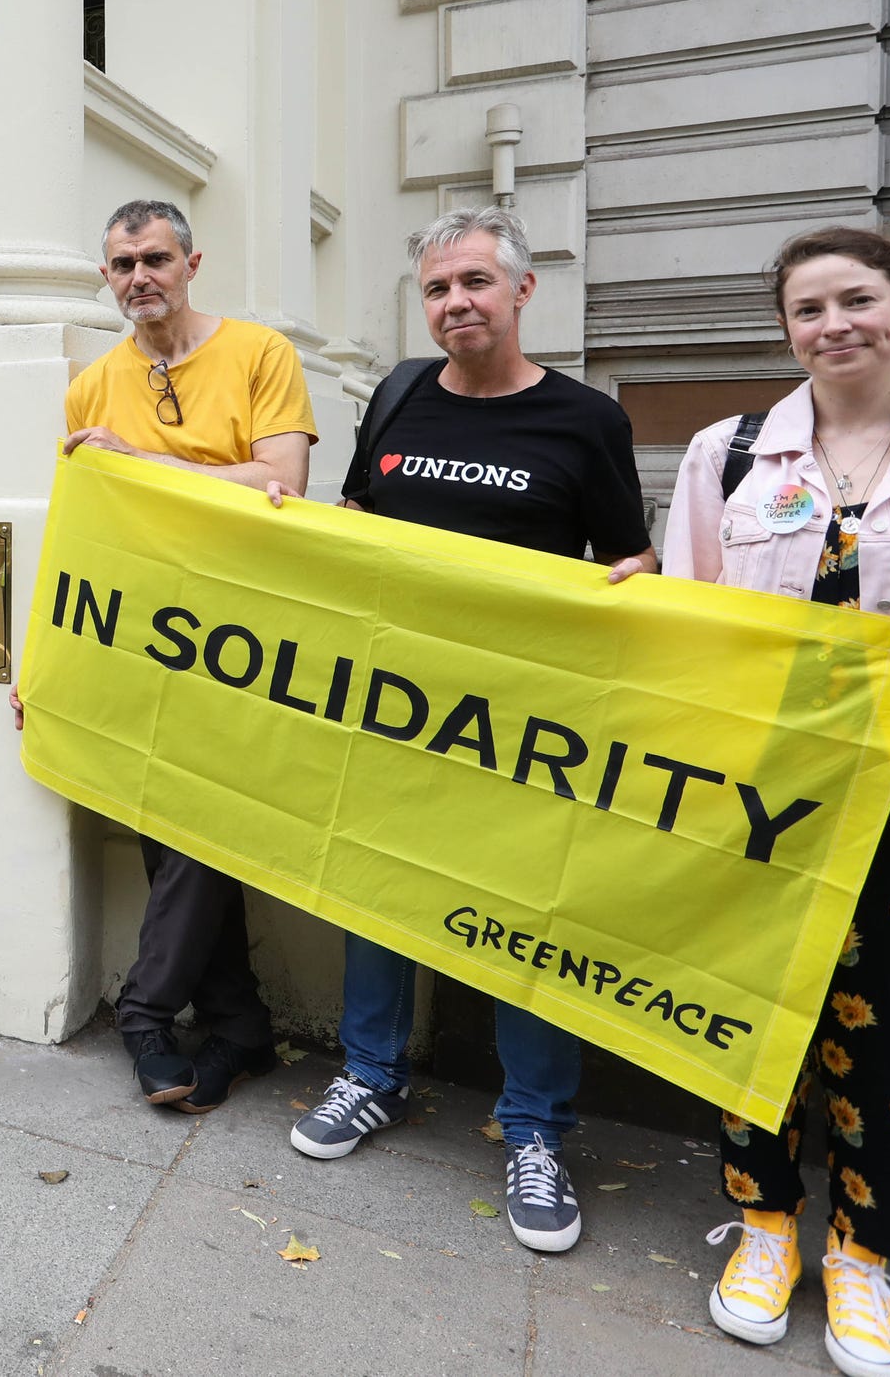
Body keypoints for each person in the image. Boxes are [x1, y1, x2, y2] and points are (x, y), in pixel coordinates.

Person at [669, 225, 890, 1377]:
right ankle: (766, 1224)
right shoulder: (727, 453)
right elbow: (686, 617)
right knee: (749, 1021)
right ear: (785, 328)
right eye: (808, 309)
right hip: (765, 799)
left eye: (857, 300)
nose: (834, 325)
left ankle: (865, 1254)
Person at [288, 207, 657, 1255]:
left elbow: (624, 567)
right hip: (392, 703)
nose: (455, 304)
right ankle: (371, 1075)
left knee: (522, 918)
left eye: (474, 284)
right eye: (438, 288)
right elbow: (358, 521)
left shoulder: (586, 421)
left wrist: (640, 589)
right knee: (376, 889)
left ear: (520, 292)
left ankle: (534, 1126)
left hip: (522, 721)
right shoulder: (398, 393)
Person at [16, 197, 316, 1116]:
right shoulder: (91, 386)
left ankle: (146, 1013)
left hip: (243, 635)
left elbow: (282, 482)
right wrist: (41, 663)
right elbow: (82, 536)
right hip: (136, 639)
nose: (138, 276)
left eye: (154, 258)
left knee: (196, 820)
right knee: (163, 819)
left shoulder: (261, 354)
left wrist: (146, 468)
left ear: (192, 263)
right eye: (121, 264)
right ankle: (239, 1022)